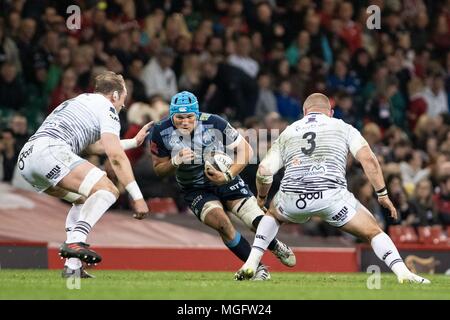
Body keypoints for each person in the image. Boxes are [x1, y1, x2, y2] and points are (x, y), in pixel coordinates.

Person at [235, 93, 430, 284]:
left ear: (304, 112)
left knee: (273, 215)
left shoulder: (288, 131)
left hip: (293, 198)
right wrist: (382, 194)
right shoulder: (343, 127)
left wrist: (261, 198)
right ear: (331, 112)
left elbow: (264, 170)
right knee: (373, 231)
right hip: (332, 198)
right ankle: (403, 272)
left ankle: (251, 263)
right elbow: (369, 159)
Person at [150, 91, 296, 280]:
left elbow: (246, 149)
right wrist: (175, 161)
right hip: (195, 189)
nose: (184, 122)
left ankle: (275, 245)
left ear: (197, 114)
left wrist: (227, 175)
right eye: (179, 117)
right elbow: (158, 170)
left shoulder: (214, 122)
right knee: (222, 224)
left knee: (256, 221)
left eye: (189, 117)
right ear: (171, 116)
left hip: (227, 179)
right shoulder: (160, 131)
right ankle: (257, 269)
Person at [17, 71, 151, 278]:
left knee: (83, 199)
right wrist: (138, 197)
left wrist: (133, 142)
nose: (121, 107)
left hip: (28, 160)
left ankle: (72, 267)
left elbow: (92, 147)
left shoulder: (80, 101)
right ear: (114, 95)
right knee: (107, 190)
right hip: (50, 151)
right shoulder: (106, 108)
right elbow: (115, 156)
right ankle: (75, 242)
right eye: (122, 100)